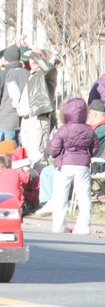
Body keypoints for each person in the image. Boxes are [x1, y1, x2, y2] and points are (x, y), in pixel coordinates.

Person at [44, 98, 97, 235]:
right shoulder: (89, 130)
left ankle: (59, 226)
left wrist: (59, 155)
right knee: (84, 197)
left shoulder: (63, 130)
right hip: (83, 165)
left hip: (64, 165)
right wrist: (86, 155)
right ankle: (83, 227)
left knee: (60, 197)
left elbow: (54, 150)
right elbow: (95, 148)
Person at [17, 49, 56, 166]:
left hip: (38, 119)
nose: (33, 60)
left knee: (38, 159)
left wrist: (33, 55)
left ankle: (40, 183)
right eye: (32, 57)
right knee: (27, 158)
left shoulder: (47, 75)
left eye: (38, 56)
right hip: (26, 120)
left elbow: (48, 67)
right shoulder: (32, 75)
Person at [0, 45, 29, 147]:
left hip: (4, 122)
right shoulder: (28, 74)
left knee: (4, 157)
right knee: (20, 157)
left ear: (6, 59)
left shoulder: (2, 74)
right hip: (23, 122)